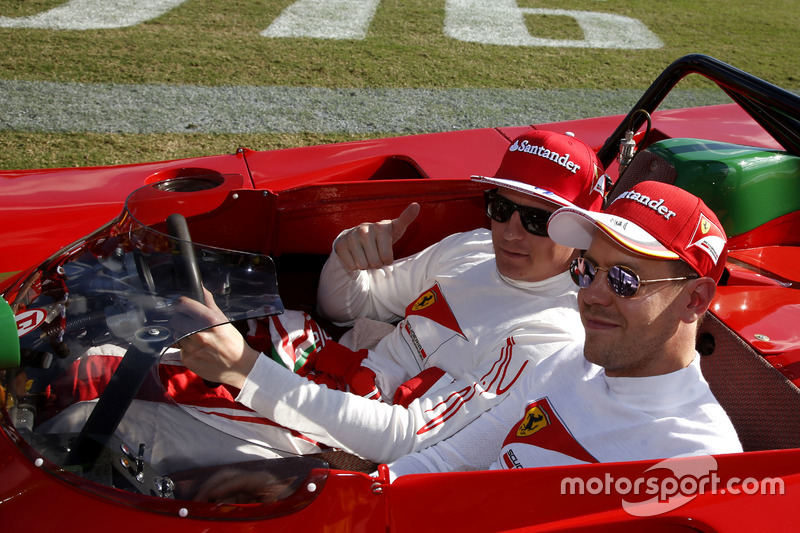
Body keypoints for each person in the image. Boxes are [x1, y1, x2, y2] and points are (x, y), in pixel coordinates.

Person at [178, 129, 608, 464]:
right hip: (322, 373)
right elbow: (348, 307)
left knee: (144, 410)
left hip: (344, 448)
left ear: (580, 230)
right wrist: (347, 257)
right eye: (500, 207)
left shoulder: (553, 336)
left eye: (536, 219)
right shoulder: (472, 247)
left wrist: (245, 370)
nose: (510, 232)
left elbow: (406, 440)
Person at [385, 180, 742, 479]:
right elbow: (444, 461)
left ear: (694, 299)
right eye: (586, 268)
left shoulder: (699, 460)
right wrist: (368, 496)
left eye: (624, 280)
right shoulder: (567, 361)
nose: (591, 295)